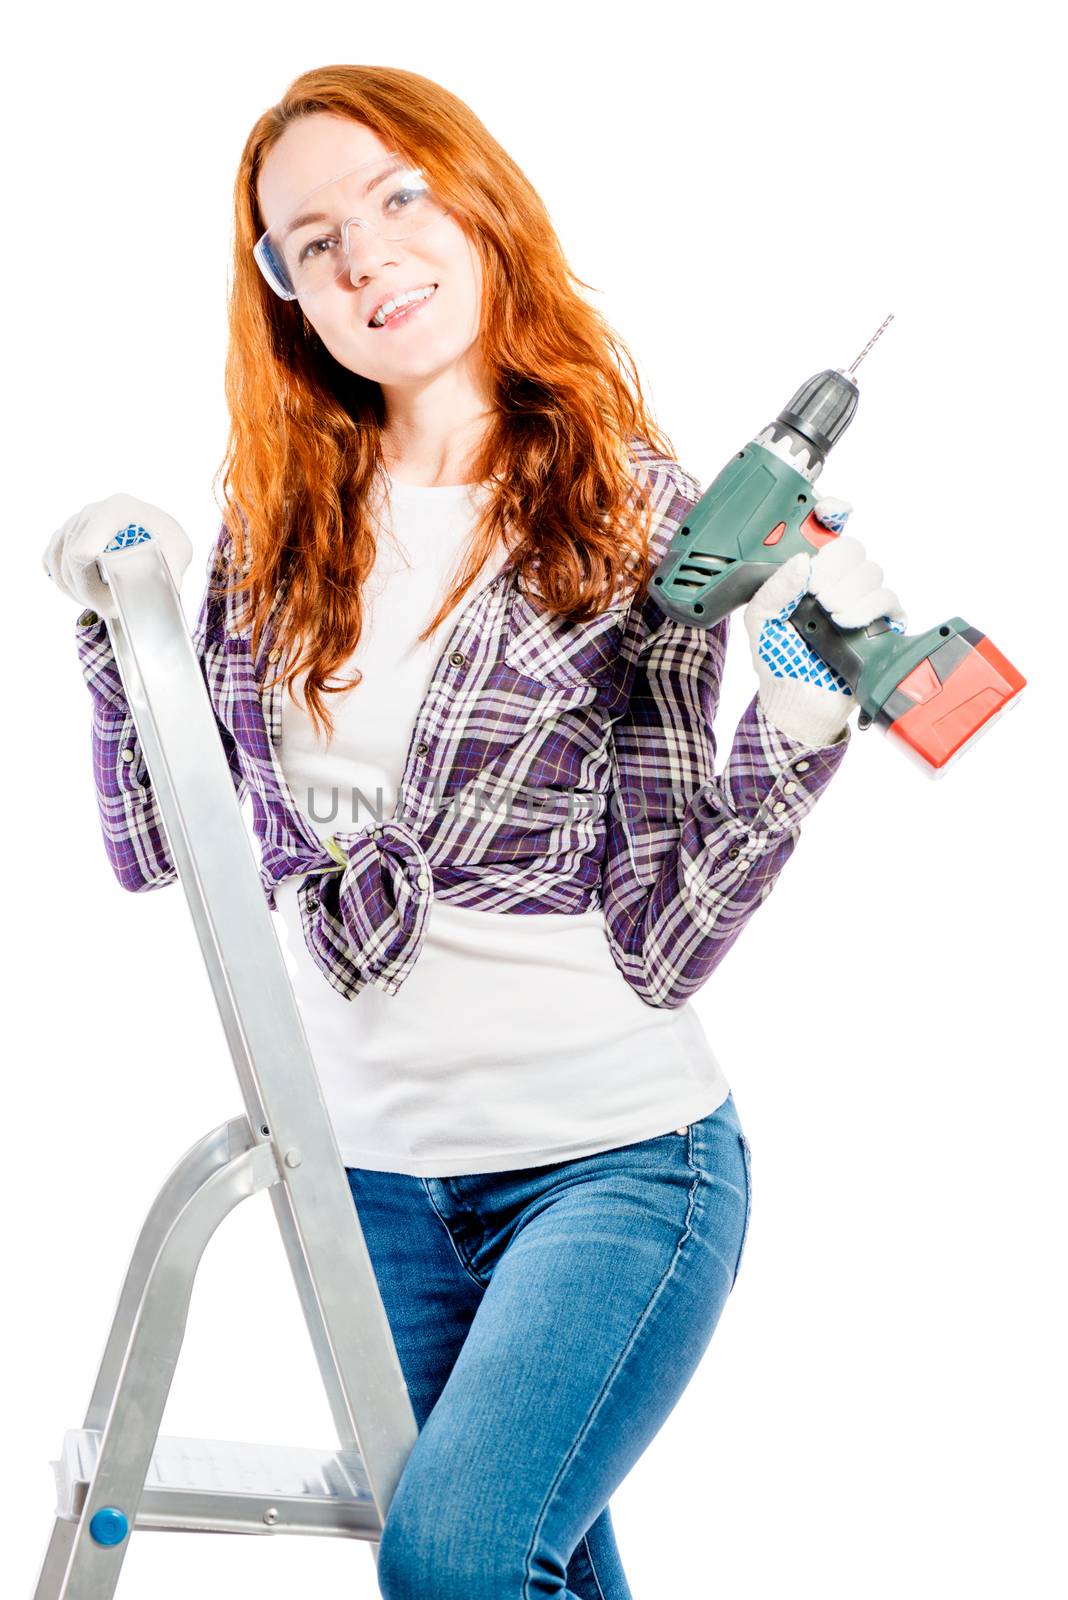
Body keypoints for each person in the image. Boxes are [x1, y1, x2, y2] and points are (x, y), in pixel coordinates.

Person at [44, 65, 906, 1600]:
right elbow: (154, 848)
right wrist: (128, 631)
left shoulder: (634, 514)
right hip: (366, 1180)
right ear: (284, 294)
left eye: (398, 197)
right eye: (314, 242)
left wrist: (802, 726)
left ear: (480, 205)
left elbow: (664, 927)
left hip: (616, 1172)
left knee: (452, 1558)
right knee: (534, 1571)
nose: (367, 257)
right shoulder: (280, 517)